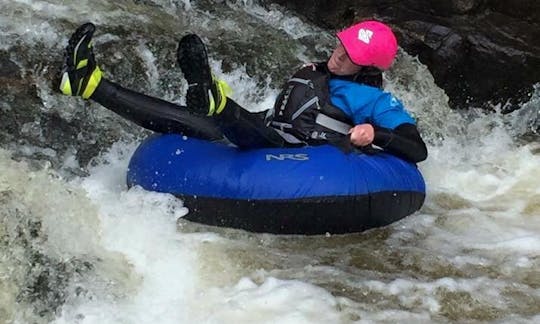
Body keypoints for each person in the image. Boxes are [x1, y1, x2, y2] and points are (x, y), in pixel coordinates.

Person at [58, 21, 427, 162]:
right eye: (341, 47)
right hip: (267, 130)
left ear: (369, 68)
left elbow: (416, 148)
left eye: (350, 57)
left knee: (220, 117)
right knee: (192, 120)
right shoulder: (316, 71)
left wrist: (375, 133)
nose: (338, 56)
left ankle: (217, 100)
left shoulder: (377, 101)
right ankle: (89, 82)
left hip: (299, 154)